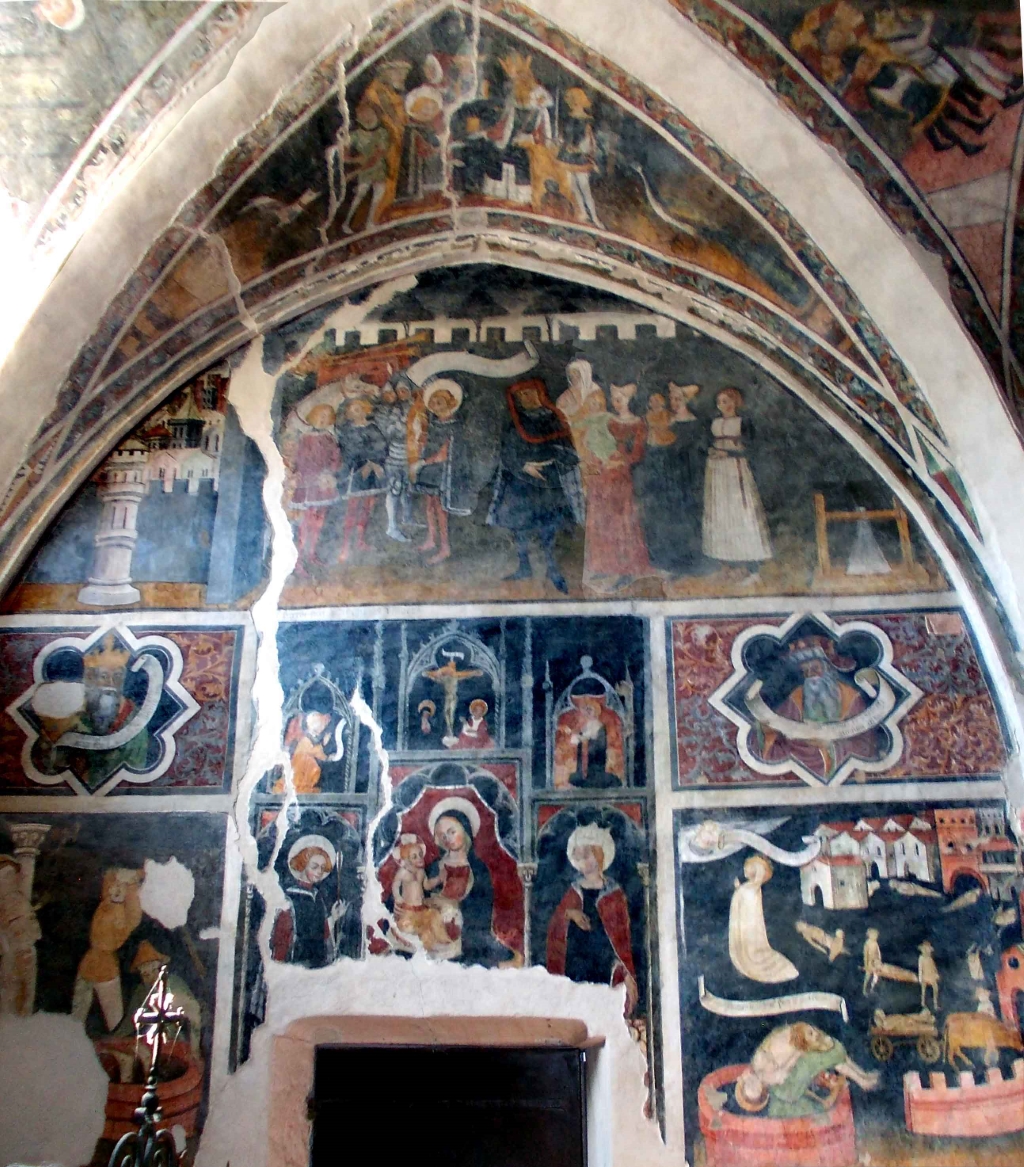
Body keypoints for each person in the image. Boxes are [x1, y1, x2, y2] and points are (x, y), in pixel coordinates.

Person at [487, 378, 584, 594]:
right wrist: (525, 466)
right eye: (521, 396)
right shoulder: (515, 423)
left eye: (529, 393)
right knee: (520, 527)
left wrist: (554, 458)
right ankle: (524, 567)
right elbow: (507, 452)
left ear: (540, 394)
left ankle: (552, 569)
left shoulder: (555, 419)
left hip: (549, 481)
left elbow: (568, 450)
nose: (526, 398)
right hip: (521, 482)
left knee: (549, 528)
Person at [545, 824, 637, 1013]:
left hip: (603, 960)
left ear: (599, 854)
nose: (582, 863)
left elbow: (621, 936)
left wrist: (620, 964)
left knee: (601, 1004)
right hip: (576, 958)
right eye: (578, 858)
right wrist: (570, 914)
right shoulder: (574, 890)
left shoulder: (614, 893)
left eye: (586, 856)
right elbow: (556, 924)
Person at [760, 636, 878, 780]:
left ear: (827, 668)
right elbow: (775, 730)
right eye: (806, 671)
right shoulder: (797, 697)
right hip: (800, 755)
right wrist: (765, 728)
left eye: (815, 668)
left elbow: (865, 743)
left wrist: (828, 746)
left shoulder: (852, 698)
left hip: (837, 755)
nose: (811, 675)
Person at [422, 806, 520, 967]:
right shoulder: (435, 867)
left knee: (496, 952)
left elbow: (483, 910)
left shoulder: (478, 868)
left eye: (452, 832)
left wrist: (458, 908)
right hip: (437, 929)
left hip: (470, 931)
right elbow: (422, 896)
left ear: (465, 829)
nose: (448, 838)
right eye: (442, 835)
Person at [580, 382, 651, 591]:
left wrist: (620, 461)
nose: (616, 403)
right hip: (602, 474)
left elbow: (637, 453)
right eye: (614, 400)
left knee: (621, 522)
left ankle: (625, 570)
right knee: (602, 520)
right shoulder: (608, 420)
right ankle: (604, 565)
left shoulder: (638, 423)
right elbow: (595, 443)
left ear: (629, 401)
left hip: (620, 475)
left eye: (620, 400)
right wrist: (595, 462)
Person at [702, 387, 772, 585]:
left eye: (727, 401)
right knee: (721, 514)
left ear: (735, 402)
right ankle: (727, 565)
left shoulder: (743, 422)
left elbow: (752, 448)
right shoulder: (714, 423)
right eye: (720, 402)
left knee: (741, 513)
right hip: (717, 471)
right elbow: (707, 443)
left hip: (736, 470)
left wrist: (729, 454)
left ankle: (752, 568)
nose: (723, 405)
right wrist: (712, 451)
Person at [734, 1022, 879, 1118]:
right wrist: (799, 1052)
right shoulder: (770, 1079)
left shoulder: (757, 1063)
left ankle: (862, 1075)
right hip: (797, 1051)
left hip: (792, 1040)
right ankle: (862, 1080)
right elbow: (786, 1068)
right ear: (761, 1091)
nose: (754, 1085)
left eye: (749, 1086)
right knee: (829, 1055)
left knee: (835, 1052)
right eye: (756, 1090)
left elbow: (772, 1045)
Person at [636, 382, 707, 575]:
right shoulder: (667, 420)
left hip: (684, 479)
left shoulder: (692, 423)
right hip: (664, 478)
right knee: (662, 517)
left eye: (678, 399)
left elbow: (696, 455)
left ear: (686, 401)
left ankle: (684, 564)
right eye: (672, 399)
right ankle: (663, 562)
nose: (674, 403)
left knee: (682, 518)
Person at [409, 379, 472, 565]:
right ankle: (431, 538)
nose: (435, 406)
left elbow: (443, 454)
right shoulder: (434, 424)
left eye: (440, 402)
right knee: (429, 506)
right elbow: (428, 446)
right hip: (430, 471)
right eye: (433, 402)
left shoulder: (455, 426)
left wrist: (422, 463)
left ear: (451, 403)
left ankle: (445, 547)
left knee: (440, 509)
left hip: (444, 472)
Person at [72, 867, 143, 1030]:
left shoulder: (129, 914)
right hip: (88, 964)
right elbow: (109, 876)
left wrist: (132, 881)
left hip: (106, 969)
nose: (117, 889)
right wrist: (122, 875)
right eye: (115, 886)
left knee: (115, 1020)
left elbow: (134, 909)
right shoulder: (105, 903)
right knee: (77, 1014)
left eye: (122, 887)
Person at [114, 941, 203, 1056]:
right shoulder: (142, 991)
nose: (152, 978)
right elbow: (129, 1023)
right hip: (152, 1042)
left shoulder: (175, 984)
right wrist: (114, 1039)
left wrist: (195, 1050)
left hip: (178, 1043)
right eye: (145, 975)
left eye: (154, 971)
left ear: (162, 969)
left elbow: (194, 1015)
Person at [271, 838, 348, 968]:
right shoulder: (290, 898)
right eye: (314, 867)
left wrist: (333, 917)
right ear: (302, 864)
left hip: (317, 963)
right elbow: (282, 939)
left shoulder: (317, 896)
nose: (319, 872)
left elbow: (319, 933)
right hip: (297, 965)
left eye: (322, 868)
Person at [728, 855, 798, 984]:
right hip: (742, 930)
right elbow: (742, 901)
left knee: (754, 955)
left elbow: (748, 902)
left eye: (748, 867)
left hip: (750, 933)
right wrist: (738, 888)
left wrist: (759, 867)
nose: (745, 869)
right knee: (744, 952)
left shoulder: (754, 887)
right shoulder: (749, 886)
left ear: (756, 868)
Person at [287, 403, 339, 576]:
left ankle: (311, 554)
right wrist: (314, 475)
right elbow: (301, 461)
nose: (323, 420)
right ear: (313, 417)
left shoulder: (330, 439)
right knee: (305, 524)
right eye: (320, 416)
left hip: (323, 486)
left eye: (326, 417)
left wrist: (328, 473)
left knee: (318, 521)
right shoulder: (305, 438)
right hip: (307, 485)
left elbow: (335, 459)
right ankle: (299, 560)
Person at [335, 397, 386, 562]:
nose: (354, 413)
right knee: (352, 509)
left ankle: (360, 540)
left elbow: (381, 448)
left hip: (370, 473)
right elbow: (347, 450)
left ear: (365, 410)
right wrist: (365, 461)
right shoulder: (347, 430)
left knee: (366, 508)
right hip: (354, 472)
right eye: (351, 410)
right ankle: (345, 545)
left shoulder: (373, 429)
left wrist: (372, 463)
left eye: (357, 409)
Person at [390, 835, 452, 953]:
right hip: (408, 910)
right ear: (406, 859)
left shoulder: (421, 872)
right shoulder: (403, 872)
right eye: (414, 857)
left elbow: (426, 885)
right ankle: (413, 945)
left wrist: (438, 879)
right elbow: (395, 885)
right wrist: (397, 897)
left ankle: (439, 943)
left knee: (434, 918)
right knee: (409, 929)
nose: (419, 858)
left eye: (420, 855)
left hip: (421, 909)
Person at [553, 687, 625, 788]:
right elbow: (578, 738)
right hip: (583, 763)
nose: (588, 712)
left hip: (596, 760)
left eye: (590, 709)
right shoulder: (584, 725)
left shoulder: (598, 724)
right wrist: (574, 736)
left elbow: (593, 737)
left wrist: (581, 738)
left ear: (595, 710)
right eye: (586, 709)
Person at [339, 103, 391, 234]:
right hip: (365, 170)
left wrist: (355, 172)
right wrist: (355, 160)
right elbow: (344, 155)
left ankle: (370, 222)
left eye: (370, 113)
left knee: (378, 196)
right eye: (363, 114)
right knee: (359, 196)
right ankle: (346, 223)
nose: (367, 117)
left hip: (378, 169)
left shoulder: (382, 133)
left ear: (377, 115)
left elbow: (376, 157)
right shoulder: (355, 135)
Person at [0, 854, 41, 1016]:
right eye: (5, 876)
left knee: (27, 994)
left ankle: (23, 1023)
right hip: (12, 953)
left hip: (27, 951)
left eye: (12, 875)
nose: (10, 880)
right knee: (11, 994)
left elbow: (32, 924)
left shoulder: (19, 898)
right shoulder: (2, 904)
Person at [557, 88, 604, 227]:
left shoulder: (587, 120)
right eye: (570, 100)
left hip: (580, 156)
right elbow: (564, 136)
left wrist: (579, 149)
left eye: (573, 100)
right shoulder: (568, 118)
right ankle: (583, 212)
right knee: (573, 186)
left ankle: (594, 217)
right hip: (568, 155)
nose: (571, 103)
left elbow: (589, 140)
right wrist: (561, 142)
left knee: (584, 187)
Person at [273, 709, 334, 794]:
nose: (317, 733)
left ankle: (304, 786)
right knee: (310, 764)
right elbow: (312, 751)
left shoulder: (311, 740)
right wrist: (323, 745)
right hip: (299, 765)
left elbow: (317, 753)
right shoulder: (305, 740)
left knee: (311, 764)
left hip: (305, 766)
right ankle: (300, 786)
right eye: (316, 730)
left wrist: (326, 756)